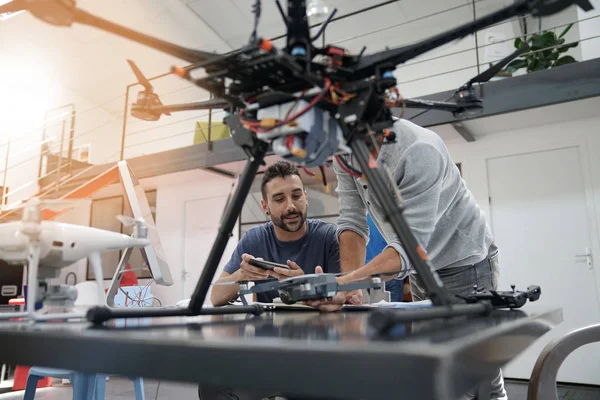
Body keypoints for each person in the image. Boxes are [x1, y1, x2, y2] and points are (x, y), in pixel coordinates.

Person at [306, 118, 507, 400]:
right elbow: (352, 221)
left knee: (475, 371)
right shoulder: (344, 152)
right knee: (437, 363)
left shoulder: (419, 150)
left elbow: (408, 248)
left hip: (464, 260)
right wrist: (348, 286)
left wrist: (343, 282)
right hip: (423, 268)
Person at [210, 160, 341, 305]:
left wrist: (304, 286)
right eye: (279, 199)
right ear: (265, 206)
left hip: (319, 325)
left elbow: (344, 296)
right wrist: (242, 274)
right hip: (268, 326)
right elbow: (216, 298)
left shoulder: (329, 236)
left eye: (297, 196)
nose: (290, 206)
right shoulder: (254, 239)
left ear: (306, 198)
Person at [365, 213, 404, 302]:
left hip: (368, 272)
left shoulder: (365, 219)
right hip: (390, 272)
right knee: (394, 309)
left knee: (373, 306)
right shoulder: (390, 219)